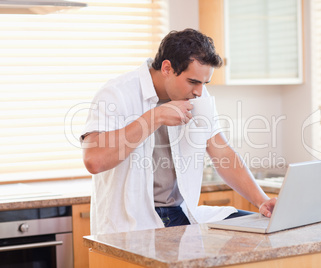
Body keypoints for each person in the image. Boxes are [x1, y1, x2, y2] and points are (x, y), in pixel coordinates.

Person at [81, 28, 276, 235]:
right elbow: (94, 160)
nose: (199, 92)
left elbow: (222, 153)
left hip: (180, 214)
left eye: (204, 83)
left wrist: (262, 200)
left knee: (260, 231)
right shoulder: (116, 93)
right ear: (167, 68)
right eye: (193, 82)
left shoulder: (198, 95)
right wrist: (155, 117)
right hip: (132, 224)